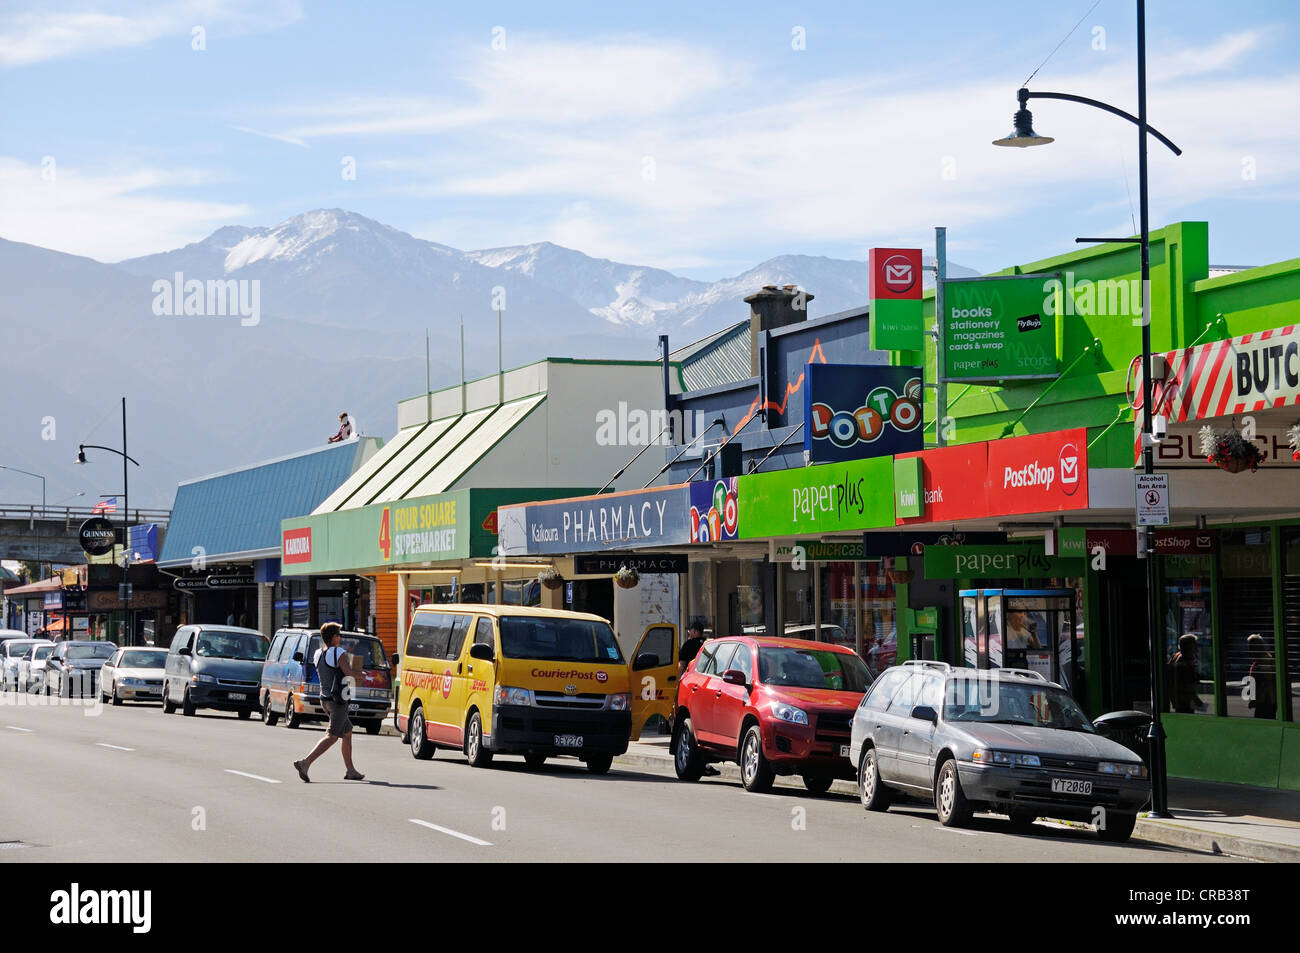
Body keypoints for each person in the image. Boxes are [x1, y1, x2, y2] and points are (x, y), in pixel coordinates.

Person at [293, 622, 365, 782]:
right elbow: (348, 673)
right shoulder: (338, 652)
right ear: (333, 637)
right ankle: (305, 762)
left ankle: (351, 770)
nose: (340, 637)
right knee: (332, 736)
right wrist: (361, 675)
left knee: (347, 733)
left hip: (324, 699)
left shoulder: (318, 653)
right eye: (339, 634)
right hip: (337, 700)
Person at [1166, 633, 1201, 714]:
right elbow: (1186, 682)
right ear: (1189, 646)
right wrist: (1196, 700)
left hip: (1178, 699)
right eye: (1195, 644)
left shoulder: (1176, 656)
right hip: (1185, 700)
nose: (1196, 647)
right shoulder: (1186, 659)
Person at [1247, 633, 1277, 719]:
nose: (1249, 649)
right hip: (1265, 700)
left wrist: (1255, 699)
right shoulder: (1261, 659)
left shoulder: (1264, 660)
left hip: (1266, 701)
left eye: (1251, 646)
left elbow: (1268, 681)